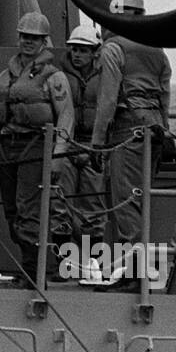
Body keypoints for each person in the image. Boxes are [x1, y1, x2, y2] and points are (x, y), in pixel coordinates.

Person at [0, 12, 75, 284]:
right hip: (6, 148)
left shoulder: (54, 77)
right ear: (18, 37)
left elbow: (66, 115)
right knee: (12, 212)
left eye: (34, 38)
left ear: (44, 41)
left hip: (34, 147)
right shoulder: (4, 77)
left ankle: (35, 274)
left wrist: (58, 155)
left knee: (29, 211)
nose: (28, 42)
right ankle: (31, 268)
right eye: (25, 36)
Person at [90, 0, 171, 256]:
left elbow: (108, 101)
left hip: (128, 128)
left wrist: (98, 142)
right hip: (156, 126)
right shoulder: (158, 49)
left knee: (126, 202)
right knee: (143, 198)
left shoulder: (113, 49)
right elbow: (164, 95)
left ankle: (133, 274)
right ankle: (142, 271)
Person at [62, 24, 106, 264]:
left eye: (83, 50)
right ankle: (67, 262)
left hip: (93, 147)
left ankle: (92, 263)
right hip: (66, 146)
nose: (77, 55)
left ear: (94, 52)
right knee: (61, 205)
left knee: (93, 208)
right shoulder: (58, 74)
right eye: (74, 50)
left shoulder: (106, 76)